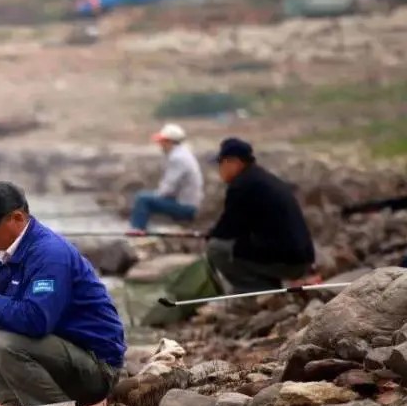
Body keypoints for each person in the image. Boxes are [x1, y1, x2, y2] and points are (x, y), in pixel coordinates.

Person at [0, 181, 126, 406]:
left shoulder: (50, 254)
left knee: (5, 342)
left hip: (97, 368)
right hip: (59, 353)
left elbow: (37, 320)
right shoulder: (7, 252)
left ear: (17, 218)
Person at [206, 138, 316, 293]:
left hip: (289, 262)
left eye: (221, 163)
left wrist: (210, 234)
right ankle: (269, 289)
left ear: (234, 162)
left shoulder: (242, 185)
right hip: (302, 258)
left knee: (216, 248)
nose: (220, 170)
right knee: (239, 246)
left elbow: (226, 231)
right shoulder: (260, 178)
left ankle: (256, 291)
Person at [128, 123, 204, 234]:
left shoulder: (177, 158)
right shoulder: (183, 153)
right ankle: (142, 229)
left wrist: (155, 195)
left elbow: (167, 189)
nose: (160, 145)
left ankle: (137, 230)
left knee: (142, 198)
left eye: (162, 142)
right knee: (147, 197)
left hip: (186, 207)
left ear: (169, 142)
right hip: (188, 203)